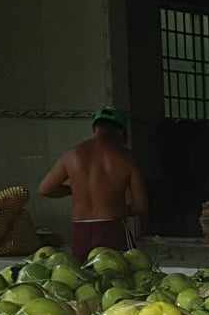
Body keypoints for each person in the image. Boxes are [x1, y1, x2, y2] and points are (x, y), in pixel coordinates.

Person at [39, 107, 149, 259]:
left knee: (83, 278)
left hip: (81, 232)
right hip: (112, 230)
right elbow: (141, 205)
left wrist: (74, 189)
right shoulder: (126, 158)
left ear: (94, 128)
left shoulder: (72, 154)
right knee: (123, 278)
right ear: (120, 131)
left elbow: (45, 189)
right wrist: (117, 208)